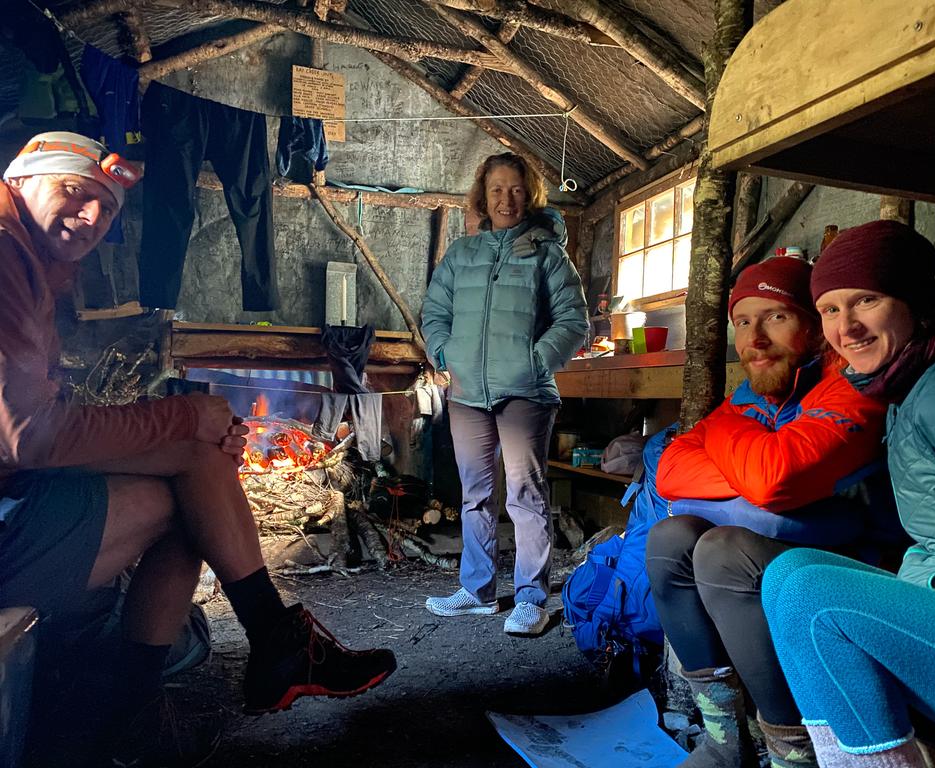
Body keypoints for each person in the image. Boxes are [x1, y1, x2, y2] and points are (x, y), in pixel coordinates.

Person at [0, 133, 396, 761]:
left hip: (15, 494)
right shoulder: (6, 256)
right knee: (192, 496)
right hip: (9, 522)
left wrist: (188, 433)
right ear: (21, 177)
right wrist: (182, 415)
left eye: (107, 208)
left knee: (196, 467)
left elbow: (30, 433)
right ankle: (167, 697)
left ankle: (247, 658)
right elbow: (27, 437)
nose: (92, 216)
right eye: (75, 190)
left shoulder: (27, 259)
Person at [762, 220, 935, 768]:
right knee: (788, 573)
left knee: (814, 597)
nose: (846, 327)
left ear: (912, 302)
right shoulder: (912, 381)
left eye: (867, 300)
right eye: (829, 309)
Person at [645, 256, 897, 768]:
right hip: (792, 546)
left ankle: (792, 752)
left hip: (867, 563)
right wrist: (755, 478)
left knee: (724, 551)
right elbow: (669, 471)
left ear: (815, 328)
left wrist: (722, 436)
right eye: (743, 322)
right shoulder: (751, 396)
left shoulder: (850, 386)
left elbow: (773, 479)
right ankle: (724, 739)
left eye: (776, 317)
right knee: (670, 539)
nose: (755, 339)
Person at [420, 152, 588, 636]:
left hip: (525, 393)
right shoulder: (462, 254)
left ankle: (532, 599)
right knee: (474, 494)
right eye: (496, 189)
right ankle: (477, 591)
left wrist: (535, 361)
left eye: (515, 189)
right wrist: (444, 353)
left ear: (529, 195)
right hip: (467, 393)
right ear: (484, 195)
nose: (505, 199)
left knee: (525, 495)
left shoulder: (547, 254)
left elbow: (573, 320)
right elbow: (434, 312)